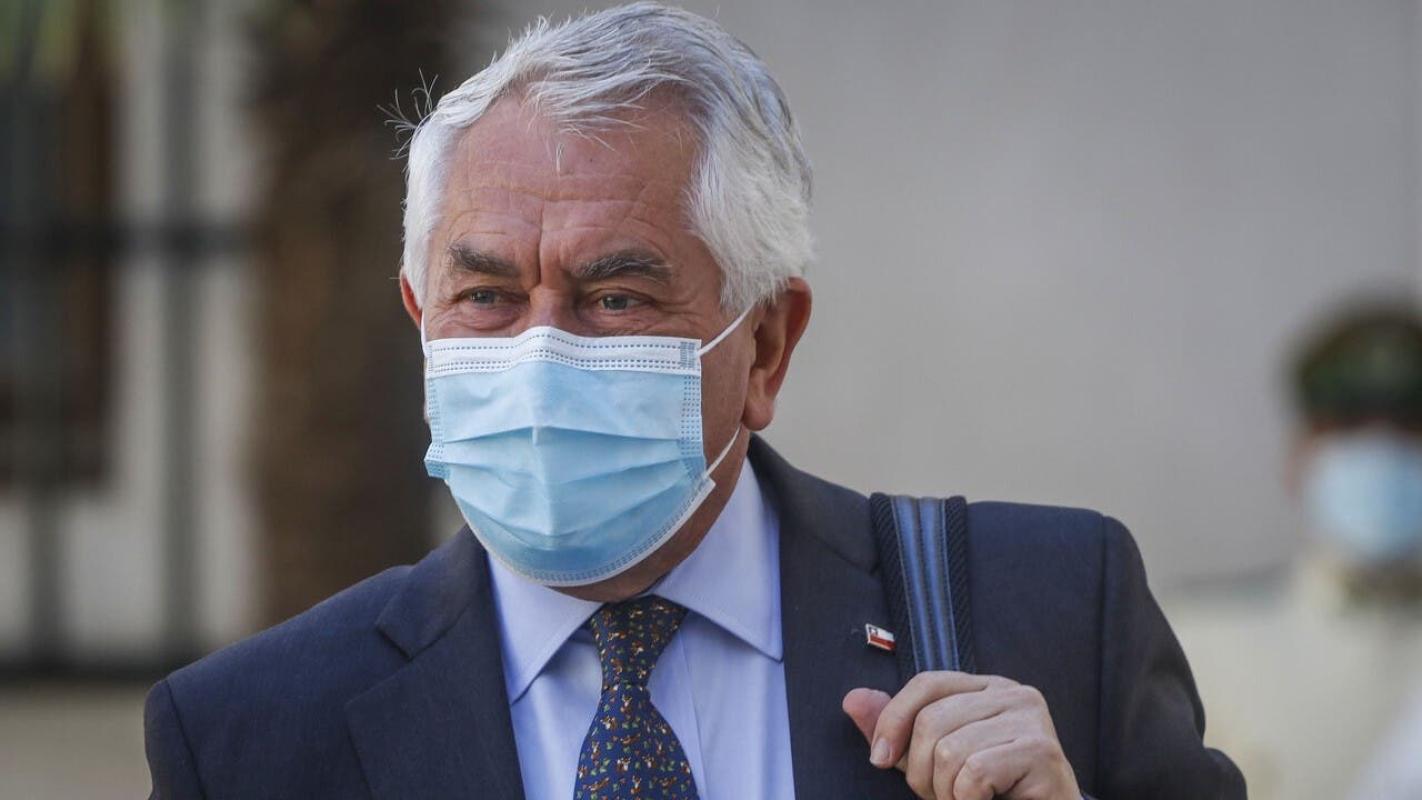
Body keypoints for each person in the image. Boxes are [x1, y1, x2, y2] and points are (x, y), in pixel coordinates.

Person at [143, 4, 1244, 798]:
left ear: (766, 344)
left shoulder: (1049, 612)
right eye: (485, 296)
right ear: (419, 314)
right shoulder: (251, 733)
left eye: (615, 296)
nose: (539, 353)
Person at [1166, 304, 1422, 800]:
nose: (1380, 451)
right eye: (1347, 427)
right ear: (1298, 455)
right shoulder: (1196, 644)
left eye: (1409, 428)